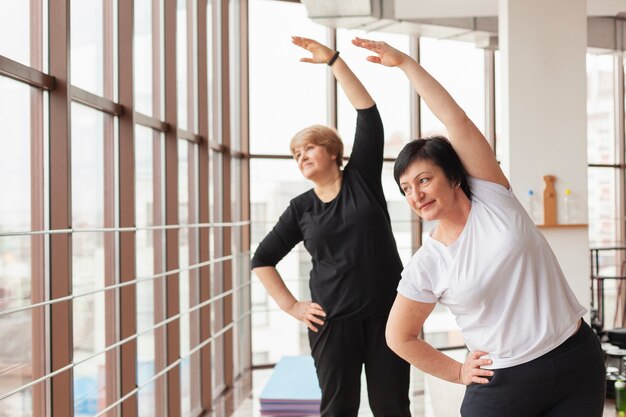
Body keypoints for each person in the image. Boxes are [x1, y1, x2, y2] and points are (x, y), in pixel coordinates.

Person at [352, 37, 606, 417]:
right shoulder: (428, 262)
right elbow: (398, 337)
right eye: (406, 188)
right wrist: (456, 371)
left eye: (424, 180)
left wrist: (406, 63)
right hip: (504, 384)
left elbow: (456, 120)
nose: (416, 195)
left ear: (453, 176)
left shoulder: (493, 198)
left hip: (576, 361)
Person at [250, 36, 411, 417]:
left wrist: (334, 60)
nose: (301, 156)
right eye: (296, 153)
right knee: (339, 409)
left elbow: (368, 114)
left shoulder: (362, 180)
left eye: (308, 148)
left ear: (333, 152)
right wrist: (291, 306)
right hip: (332, 324)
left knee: (392, 407)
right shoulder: (300, 208)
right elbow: (262, 259)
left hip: (388, 314)